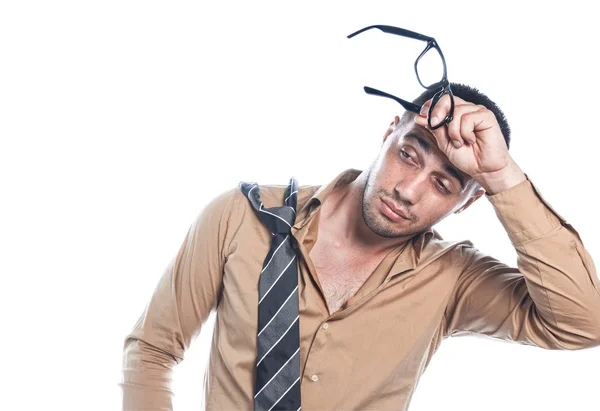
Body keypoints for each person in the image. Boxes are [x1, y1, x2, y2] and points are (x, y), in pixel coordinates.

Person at [119, 82, 600, 411]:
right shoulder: (241, 216)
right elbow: (153, 347)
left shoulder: (454, 279)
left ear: (469, 202)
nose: (408, 190)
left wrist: (501, 176)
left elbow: (585, 323)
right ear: (389, 130)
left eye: (444, 184)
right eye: (408, 154)